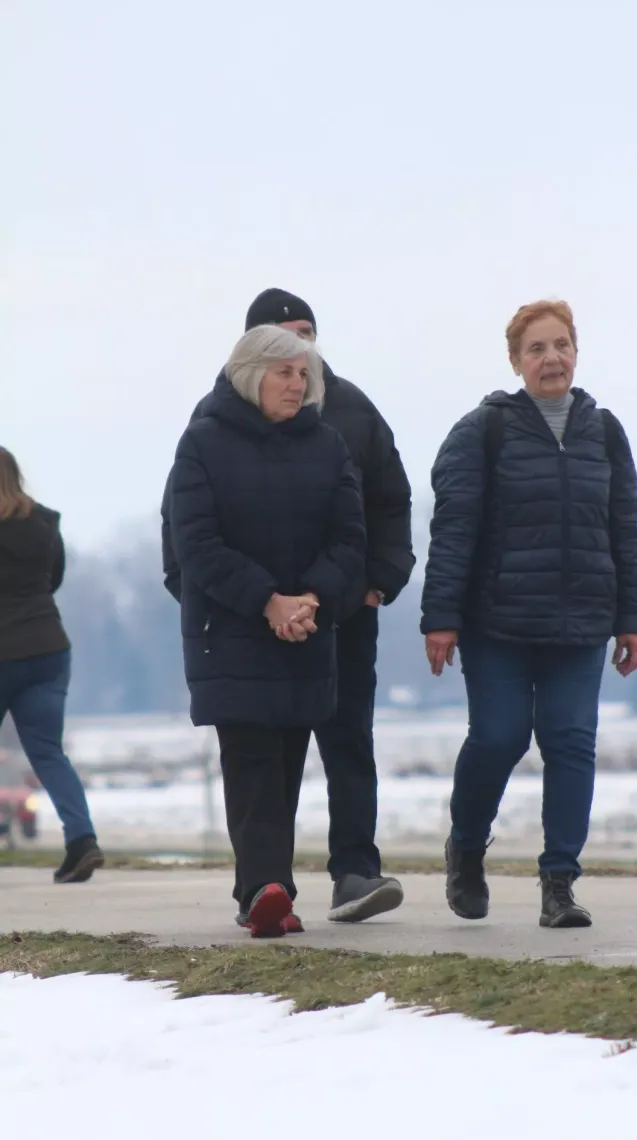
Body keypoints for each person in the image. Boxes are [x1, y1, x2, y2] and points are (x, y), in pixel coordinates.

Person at [162, 289, 415, 924]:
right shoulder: (204, 436)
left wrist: (334, 594)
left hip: (325, 621)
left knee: (322, 746)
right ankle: (266, 890)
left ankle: (344, 872)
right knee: (253, 758)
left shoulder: (339, 425)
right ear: (251, 364)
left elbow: (365, 520)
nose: (301, 374)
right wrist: (250, 602)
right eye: (285, 360)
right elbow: (189, 537)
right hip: (239, 626)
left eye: (306, 359)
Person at [421, 300, 637, 929]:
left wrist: (631, 617)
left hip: (581, 622)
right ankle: (466, 846)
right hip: (499, 622)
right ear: (516, 361)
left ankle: (559, 883)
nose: (552, 359)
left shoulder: (604, 431)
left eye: (562, 346)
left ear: (577, 352)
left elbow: (624, 527)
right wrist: (441, 616)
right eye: (537, 349)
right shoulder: (483, 430)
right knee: (499, 737)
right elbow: (454, 528)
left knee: (571, 743)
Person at [0, 447, 103, 882]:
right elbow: (53, 580)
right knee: (48, 753)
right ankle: (82, 840)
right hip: (47, 648)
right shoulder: (45, 524)